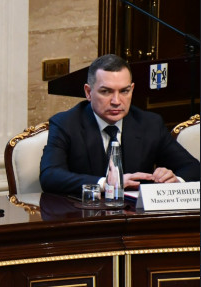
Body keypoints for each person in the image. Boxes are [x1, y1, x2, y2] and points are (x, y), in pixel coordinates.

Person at [39, 54, 199, 195]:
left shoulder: (149, 123)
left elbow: (193, 168)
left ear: (132, 89)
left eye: (124, 91)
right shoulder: (66, 124)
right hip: (85, 214)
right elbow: (50, 176)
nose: (116, 101)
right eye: (106, 91)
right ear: (88, 92)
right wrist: (106, 184)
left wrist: (175, 180)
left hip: (135, 215)